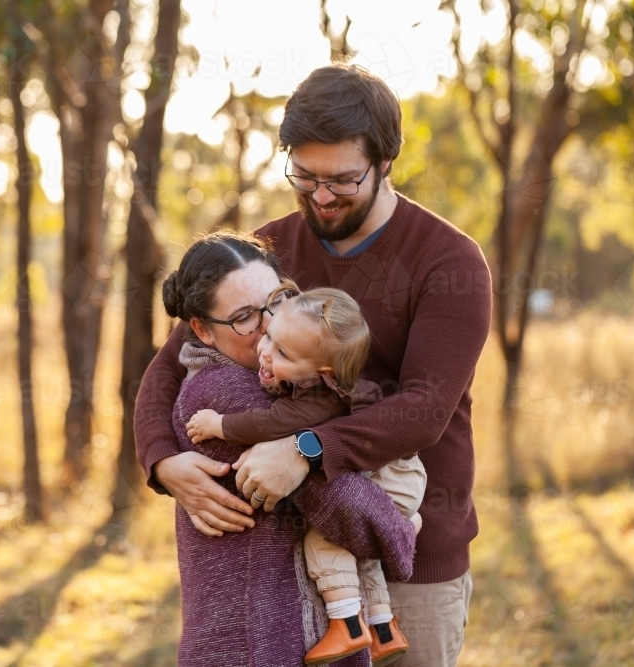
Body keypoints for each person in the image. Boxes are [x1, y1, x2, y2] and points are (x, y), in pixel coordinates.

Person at [136, 64, 492, 666]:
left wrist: (303, 450)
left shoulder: (448, 262)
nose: (321, 196)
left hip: (411, 556)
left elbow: (423, 413)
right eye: (304, 176)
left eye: (343, 180)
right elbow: (168, 367)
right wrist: (163, 461)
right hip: (290, 564)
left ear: (385, 164)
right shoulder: (260, 255)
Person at [158, 232, 417, 667]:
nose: (267, 327)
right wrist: (402, 532)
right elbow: (348, 509)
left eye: (273, 305)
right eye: (244, 318)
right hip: (258, 641)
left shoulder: (282, 383)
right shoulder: (230, 393)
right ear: (201, 330)